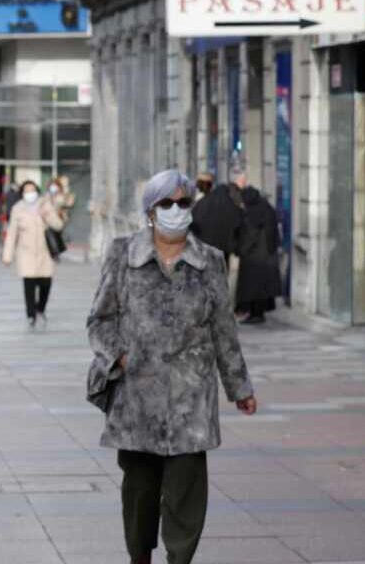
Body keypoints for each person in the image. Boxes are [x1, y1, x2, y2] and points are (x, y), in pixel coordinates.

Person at [87, 169, 258, 564]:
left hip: (190, 398)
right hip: (137, 399)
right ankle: (139, 557)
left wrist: (240, 388)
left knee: (186, 494)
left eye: (184, 203)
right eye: (167, 203)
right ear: (151, 211)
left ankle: (180, 559)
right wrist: (120, 357)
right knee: (140, 492)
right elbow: (100, 320)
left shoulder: (210, 261)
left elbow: (223, 330)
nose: (176, 210)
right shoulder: (122, 254)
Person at [2, 180, 65, 327]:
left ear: (37, 191)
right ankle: (31, 314)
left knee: (46, 283)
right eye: (26, 190)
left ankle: (40, 308)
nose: (30, 193)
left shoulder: (46, 204)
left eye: (32, 190)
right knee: (28, 284)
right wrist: (7, 256)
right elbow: (12, 234)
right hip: (26, 253)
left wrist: (48, 216)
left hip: (44, 252)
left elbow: (59, 225)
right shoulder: (17, 208)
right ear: (22, 193)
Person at [234, 185, 280, 324]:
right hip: (267, 255)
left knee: (253, 288)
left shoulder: (252, 213)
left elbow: (249, 236)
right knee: (262, 288)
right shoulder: (267, 208)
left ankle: (256, 314)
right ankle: (258, 313)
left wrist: (240, 250)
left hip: (253, 257)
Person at [190, 171, 242, 258]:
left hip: (205, 246)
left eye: (199, 184)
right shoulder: (227, 201)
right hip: (223, 247)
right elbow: (237, 221)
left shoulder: (201, 203)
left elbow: (193, 224)